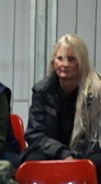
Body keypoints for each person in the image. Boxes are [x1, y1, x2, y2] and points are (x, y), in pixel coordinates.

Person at [23, 34, 101, 171]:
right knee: (32, 159)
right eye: (60, 59)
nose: (65, 64)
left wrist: (74, 156)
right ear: (54, 62)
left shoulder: (96, 92)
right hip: (52, 152)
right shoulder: (42, 91)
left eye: (71, 59)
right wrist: (63, 154)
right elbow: (34, 134)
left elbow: (96, 137)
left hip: (85, 153)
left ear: (81, 62)